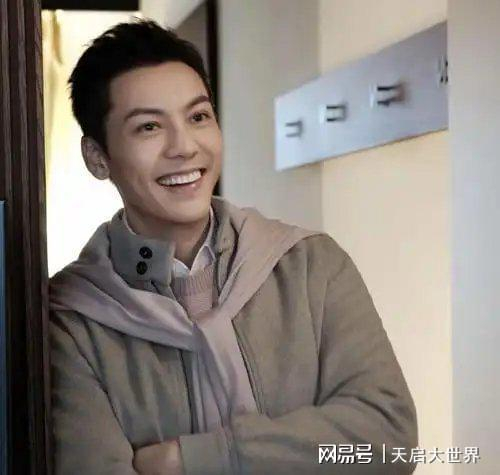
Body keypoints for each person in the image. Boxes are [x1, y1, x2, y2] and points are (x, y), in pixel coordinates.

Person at [49, 19, 418, 475]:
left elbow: (389, 438)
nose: (184, 147)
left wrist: (191, 459)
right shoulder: (70, 319)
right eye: (149, 127)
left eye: (198, 117)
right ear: (97, 157)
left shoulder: (311, 266)